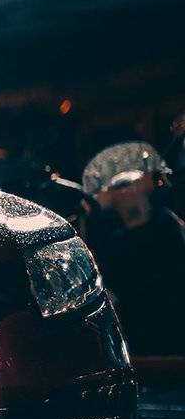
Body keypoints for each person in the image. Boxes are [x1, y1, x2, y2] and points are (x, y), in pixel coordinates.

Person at [82, 142, 185, 357]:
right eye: (119, 188)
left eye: (129, 184)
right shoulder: (113, 242)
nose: (127, 192)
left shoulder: (166, 223)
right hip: (142, 341)